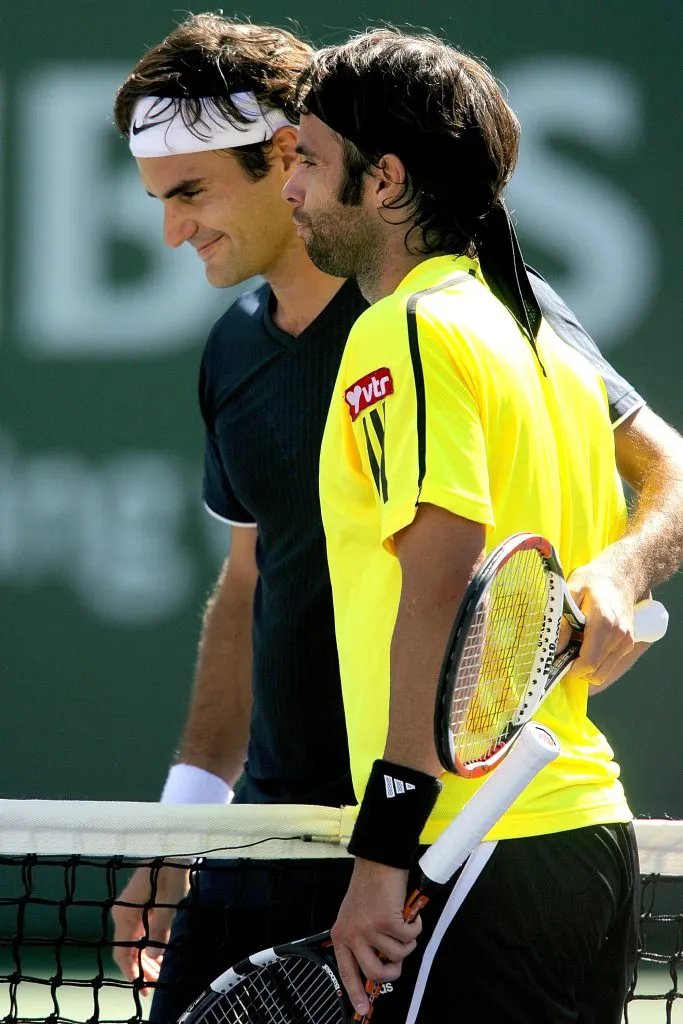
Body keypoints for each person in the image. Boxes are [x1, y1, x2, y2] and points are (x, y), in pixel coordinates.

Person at [110, 14, 683, 1024]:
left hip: (434, 839)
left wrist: (627, 567)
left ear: (333, 169)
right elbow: (254, 588)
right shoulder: (255, 348)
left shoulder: (435, 320)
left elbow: (450, 577)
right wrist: (183, 826)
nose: (170, 230)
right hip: (390, 833)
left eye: (192, 191)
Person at [282, 28, 682, 1024]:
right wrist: (624, 574)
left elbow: (443, 577)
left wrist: (385, 849)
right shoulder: (538, 331)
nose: (287, 186)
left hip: (472, 850)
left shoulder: (408, 329)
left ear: (384, 182)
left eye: (308, 162)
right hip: (585, 841)